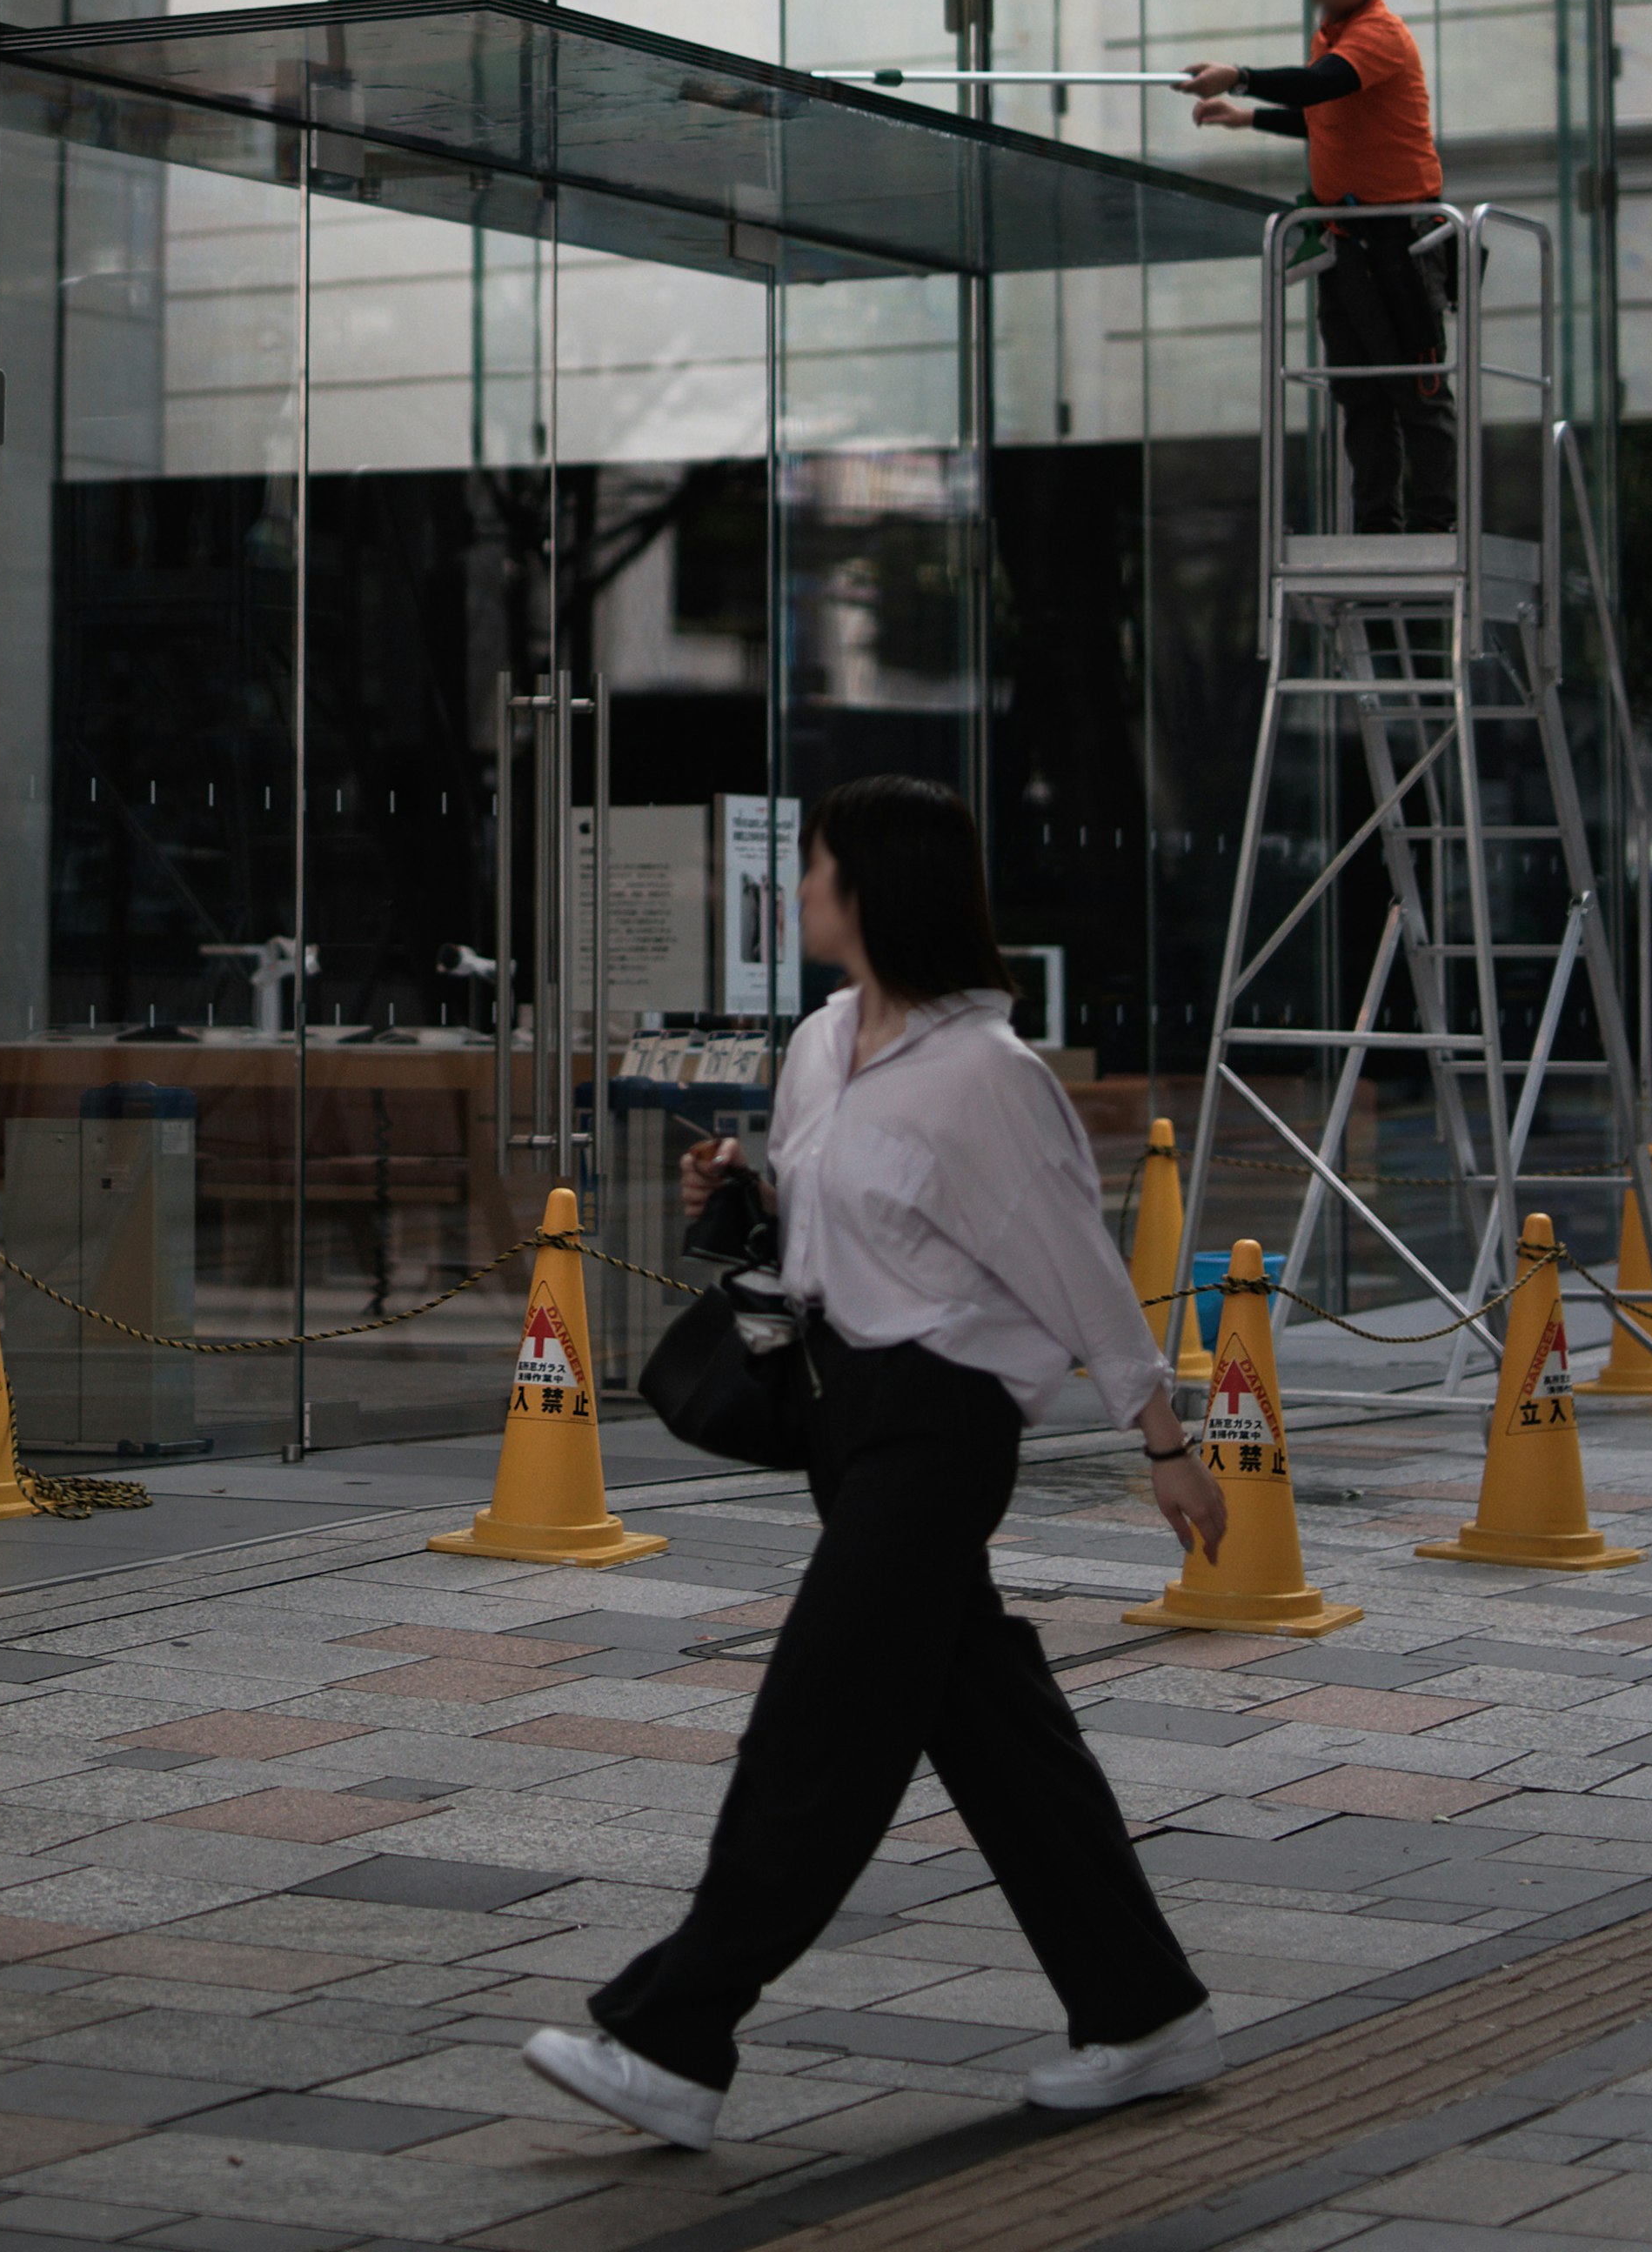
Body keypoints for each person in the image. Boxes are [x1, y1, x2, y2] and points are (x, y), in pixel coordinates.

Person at [523, 775, 1226, 2154]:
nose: (799, 891)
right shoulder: (824, 1039)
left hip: (942, 1428)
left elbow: (1082, 1274)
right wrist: (752, 1193)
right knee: (993, 1727)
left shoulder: (992, 1082)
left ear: (875, 890)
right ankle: (1146, 2012)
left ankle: (676, 2037)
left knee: (820, 1725)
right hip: (840, 1413)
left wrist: (1166, 1445)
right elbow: (839, 1212)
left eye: (822, 867)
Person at [1185, 0, 1454, 533]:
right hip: (1349, 240)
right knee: (1357, 390)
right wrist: (1246, 115)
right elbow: (1321, 113)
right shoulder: (1331, 37)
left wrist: (1240, 77)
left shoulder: (1378, 35)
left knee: (1416, 387)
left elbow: (1322, 85)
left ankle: (1436, 523)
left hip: (1401, 240)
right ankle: (1377, 525)